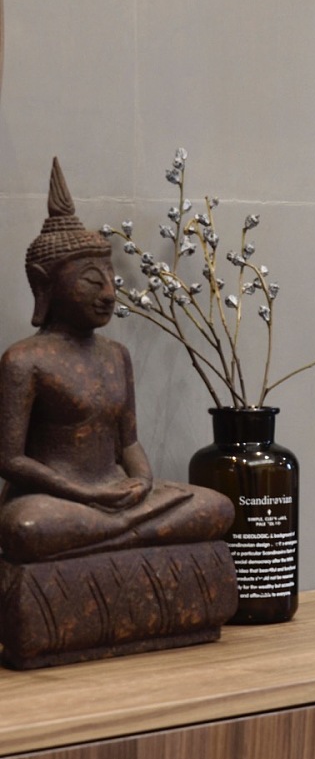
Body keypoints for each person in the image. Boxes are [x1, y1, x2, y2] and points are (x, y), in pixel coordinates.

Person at [0, 159, 233, 563]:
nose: (108, 293)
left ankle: (111, 537)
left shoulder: (116, 355)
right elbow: (9, 459)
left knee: (217, 508)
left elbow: (128, 442)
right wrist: (82, 492)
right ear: (45, 283)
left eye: (110, 279)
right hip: (55, 499)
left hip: (118, 492)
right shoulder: (23, 360)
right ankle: (125, 538)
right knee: (27, 529)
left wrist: (141, 481)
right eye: (92, 281)